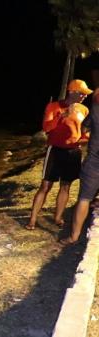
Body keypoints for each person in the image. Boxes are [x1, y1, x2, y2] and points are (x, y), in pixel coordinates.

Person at [26, 79, 92, 230]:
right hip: (55, 150)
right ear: (72, 92)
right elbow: (46, 128)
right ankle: (32, 220)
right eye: (82, 93)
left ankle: (57, 217)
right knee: (45, 186)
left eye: (85, 94)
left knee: (66, 186)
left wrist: (84, 139)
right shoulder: (54, 106)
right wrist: (62, 116)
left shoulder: (83, 110)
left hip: (74, 152)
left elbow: (85, 132)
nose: (84, 96)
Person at [60, 88, 99, 245]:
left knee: (84, 199)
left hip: (94, 161)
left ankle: (74, 236)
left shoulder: (95, 110)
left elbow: (84, 128)